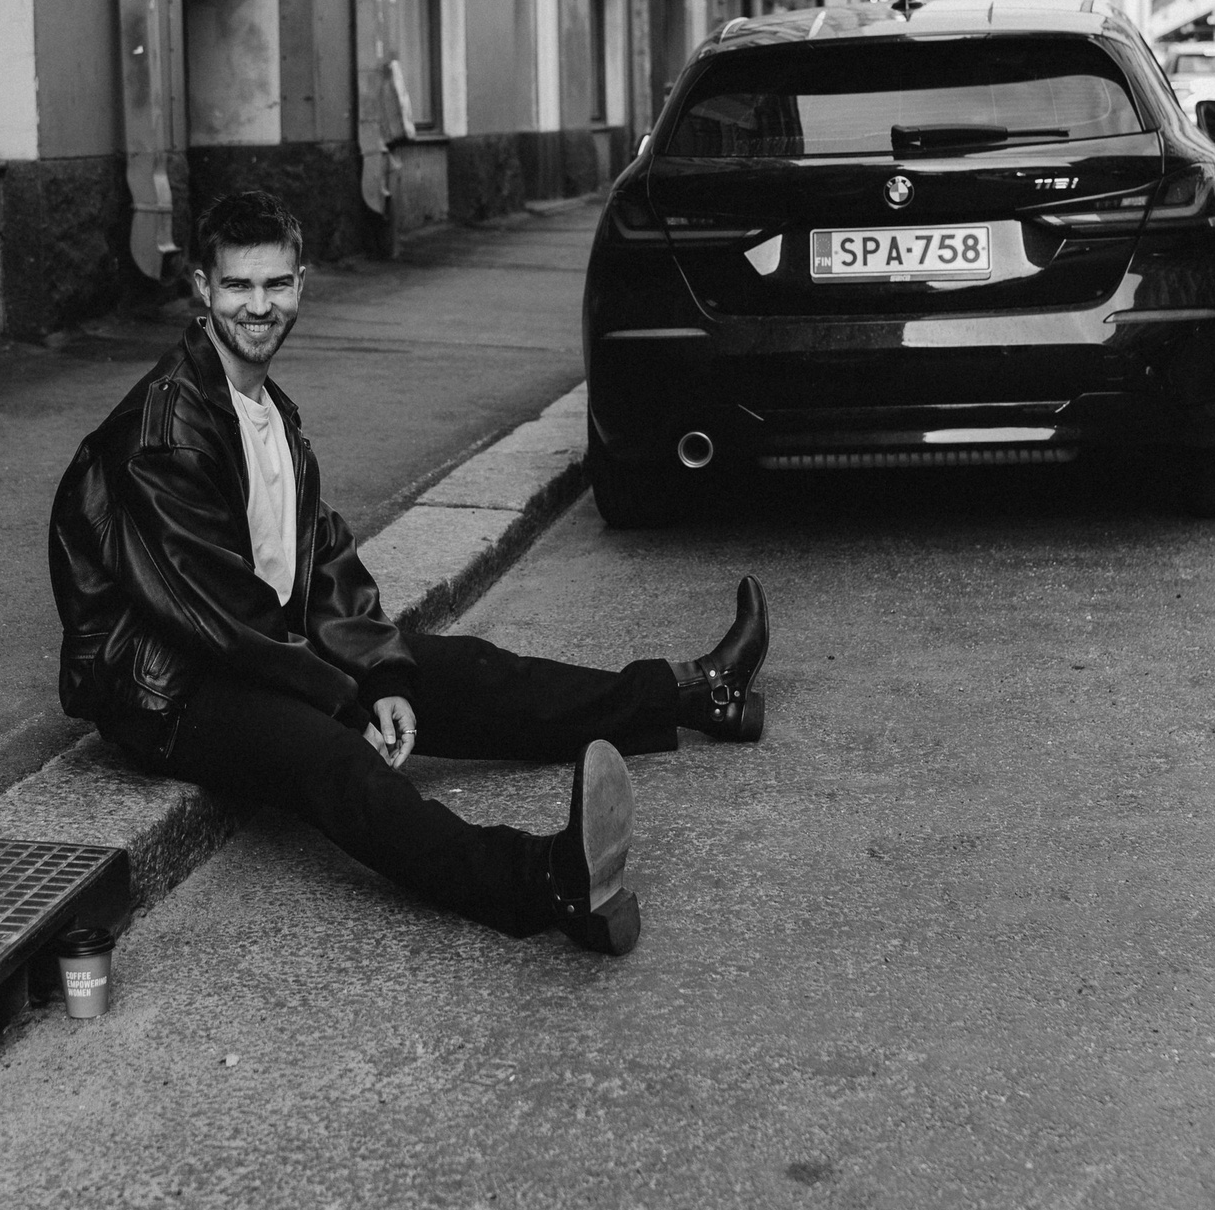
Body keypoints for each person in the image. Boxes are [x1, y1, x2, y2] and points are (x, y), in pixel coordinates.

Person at [48, 189, 770, 957]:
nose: (259, 307)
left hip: (259, 646)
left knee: (466, 671)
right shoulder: (165, 432)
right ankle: (547, 882)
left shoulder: (264, 407)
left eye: (276, 284)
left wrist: (383, 673)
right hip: (173, 688)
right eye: (238, 286)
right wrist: (346, 699)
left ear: (301, 283)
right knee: (335, 761)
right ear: (202, 287)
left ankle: (691, 693)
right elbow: (223, 618)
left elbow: (322, 556)